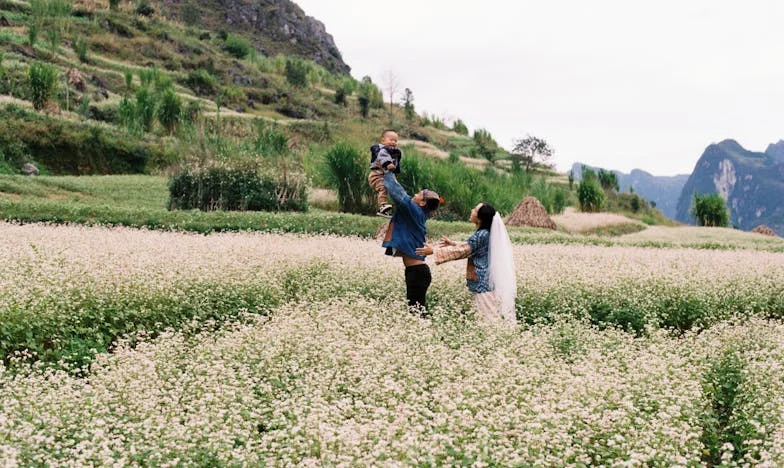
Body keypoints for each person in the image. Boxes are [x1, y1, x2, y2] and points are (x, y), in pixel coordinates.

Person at [416, 203, 517, 323]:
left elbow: (464, 251)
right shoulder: (486, 233)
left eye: (475, 209)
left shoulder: (481, 235)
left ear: (480, 218)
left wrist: (434, 250)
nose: (471, 210)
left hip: (482, 283)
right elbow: (473, 247)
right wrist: (454, 243)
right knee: (489, 316)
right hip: (487, 281)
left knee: (489, 319)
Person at [380, 169, 443, 313]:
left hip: (417, 272)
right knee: (416, 309)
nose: (413, 195)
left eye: (418, 194)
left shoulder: (414, 210)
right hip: (416, 271)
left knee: (416, 311)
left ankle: (426, 332)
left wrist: (388, 170)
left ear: (421, 202)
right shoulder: (417, 212)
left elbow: (398, 192)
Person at [369, 130, 402, 218]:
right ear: (383, 141)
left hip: (386, 176)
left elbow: (396, 165)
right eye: (391, 140)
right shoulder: (380, 149)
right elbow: (382, 156)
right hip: (377, 175)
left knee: (395, 190)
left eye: (395, 141)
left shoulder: (394, 152)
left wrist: (395, 172)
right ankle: (382, 206)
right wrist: (388, 164)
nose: (393, 142)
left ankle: (390, 210)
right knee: (382, 187)